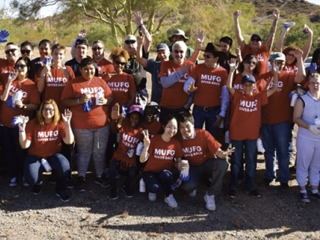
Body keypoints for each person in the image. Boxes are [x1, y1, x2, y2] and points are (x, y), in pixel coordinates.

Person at [226, 58, 279, 198]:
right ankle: (233, 186)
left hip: (251, 135)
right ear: (242, 86)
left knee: (251, 161)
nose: (248, 87)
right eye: (246, 85)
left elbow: (274, 88)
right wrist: (232, 71)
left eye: (251, 85)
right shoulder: (238, 95)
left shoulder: (258, 97)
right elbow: (229, 86)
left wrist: (275, 73)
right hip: (237, 133)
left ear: (255, 86)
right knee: (236, 162)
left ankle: (250, 186)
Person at [61, 58, 113, 191]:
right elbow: (65, 101)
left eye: (91, 69)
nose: (89, 71)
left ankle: (100, 175)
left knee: (100, 151)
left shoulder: (100, 81)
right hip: (82, 124)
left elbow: (111, 97)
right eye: (86, 69)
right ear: (80, 69)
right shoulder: (73, 84)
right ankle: (81, 177)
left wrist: (105, 101)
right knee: (84, 152)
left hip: (102, 123)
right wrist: (79, 100)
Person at [261, 50, 306, 189]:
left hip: (283, 121)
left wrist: (299, 59)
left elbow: (302, 77)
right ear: (270, 62)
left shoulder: (288, 75)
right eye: (275, 62)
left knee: (283, 151)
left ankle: (284, 178)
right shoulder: (264, 77)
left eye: (280, 63)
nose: (278, 65)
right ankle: (270, 175)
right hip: (265, 120)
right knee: (268, 151)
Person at [19, 100, 74, 202]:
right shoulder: (33, 123)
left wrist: (67, 123)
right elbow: (24, 145)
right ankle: (38, 182)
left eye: (51, 109)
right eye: (45, 109)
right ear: (41, 110)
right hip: (35, 156)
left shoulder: (59, 123)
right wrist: (21, 130)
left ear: (55, 111)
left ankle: (60, 189)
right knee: (31, 179)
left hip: (53, 155)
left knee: (64, 166)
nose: (48, 111)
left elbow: (69, 141)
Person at [176, 111, 233, 211]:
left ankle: (211, 194)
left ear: (193, 124)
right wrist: (178, 165)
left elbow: (218, 152)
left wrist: (223, 154)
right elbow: (176, 159)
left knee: (222, 164)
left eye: (187, 126)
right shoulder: (178, 139)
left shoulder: (203, 134)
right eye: (181, 127)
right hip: (192, 167)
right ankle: (194, 184)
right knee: (187, 187)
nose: (185, 129)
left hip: (207, 163)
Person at [0, 56, 40, 187]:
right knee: (8, 150)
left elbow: (35, 105)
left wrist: (23, 106)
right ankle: (13, 175)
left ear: (28, 69)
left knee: (20, 151)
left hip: (20, 124)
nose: (19, 68)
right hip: (5, 122)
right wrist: (10, 82)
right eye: (17, 66)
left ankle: (23, 175)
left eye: (22, 66)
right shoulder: (9, 80)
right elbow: (3, 98)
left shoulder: (31, 85)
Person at [184, 42, 229, 138]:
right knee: (194, 136)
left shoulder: (223, 72)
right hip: (198, 110)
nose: (205, 58)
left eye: (208, 56)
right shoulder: (198, 68)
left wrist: (222, 114)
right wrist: (189, 89)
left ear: (216, 58)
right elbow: (187, 84)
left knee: (211, 138)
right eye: (204, 55)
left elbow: (225, 95)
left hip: (214, 111)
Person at [140, 114, 183, 208]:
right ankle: (151, 186)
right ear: (164, 127)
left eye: (175, 128)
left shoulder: (176, 143)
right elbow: (142, 160)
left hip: (165, 172)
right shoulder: (154, 140)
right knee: (154, 189)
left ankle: (168, 195)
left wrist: (181, 175)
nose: (172, 130)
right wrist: (146, 147)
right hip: (150, 171)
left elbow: (179, 161)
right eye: (169, 127)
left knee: (166, 175)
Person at [293, 73, 320, 203]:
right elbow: (296, 118)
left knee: (316, 165)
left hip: (319, 140)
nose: (315, 85)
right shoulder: (302, 99)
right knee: (303, 164)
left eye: (318, 83)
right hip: (306, 138)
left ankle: (314, 188)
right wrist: (309, 127)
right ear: (308, 84)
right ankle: (303, 188)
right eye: (313, 83)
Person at [108, 104, 144, 200]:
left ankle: (125, 186)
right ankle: (112, 187)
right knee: (112, 167)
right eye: (132, 117)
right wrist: (118, 119)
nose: (134, 120)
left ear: (140, 119)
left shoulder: (141, 130)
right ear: (129, 117)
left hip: (130, 156)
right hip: (120, 153)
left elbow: (141, 145)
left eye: (136, 118)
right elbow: (116, 129)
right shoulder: (124, 123)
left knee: (132, 172)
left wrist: (135, 150)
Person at [234, 9, 280, 74]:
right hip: (246, 82)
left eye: (257, 40)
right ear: (250, 41)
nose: (255, 41)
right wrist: (236, 19)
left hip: (261, 83)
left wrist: (276, 20)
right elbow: (238, 34)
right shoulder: (245, 49)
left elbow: (272, 34)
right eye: (253, 39)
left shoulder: (264, 50)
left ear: (261, 42)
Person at [159, 41, 194, 121]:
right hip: (166, 106)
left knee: (182, 132)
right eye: (176, 51)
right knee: (167, 131)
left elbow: (194, 88)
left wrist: (189, 103)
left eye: (181, 52)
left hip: (183, 107)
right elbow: (165, 83)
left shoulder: (190, 66)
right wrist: (181, 72)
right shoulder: (166, 64)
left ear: (185, 53)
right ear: (172, 52)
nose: (178, 54)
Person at [36, 44, 75, 112]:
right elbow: (39, 90)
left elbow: (73, 90)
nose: (58, 56)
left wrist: (68, 76)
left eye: (60, 54)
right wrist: (43, 74)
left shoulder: (68, 69)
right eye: (55, 53)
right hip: (48, 108)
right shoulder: (44, 69)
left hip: (64, 107)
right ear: (51, 54)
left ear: (64, 55)